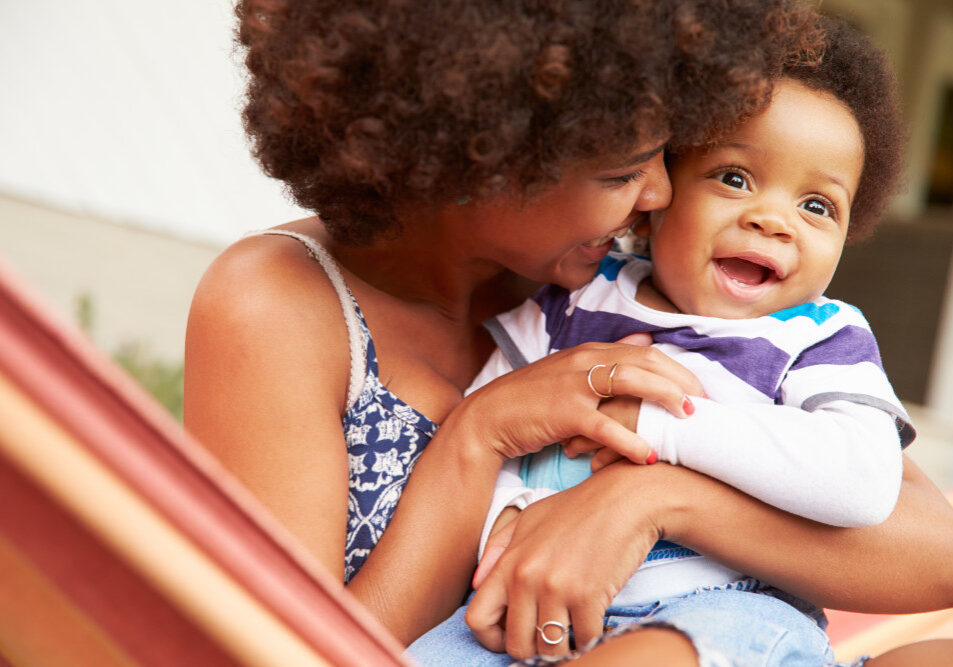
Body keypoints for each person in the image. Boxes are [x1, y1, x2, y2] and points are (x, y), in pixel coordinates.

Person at [184, 2, 953, 665]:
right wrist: (477, 434)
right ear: (480, 154)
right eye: (621, 173)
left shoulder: (638, 274)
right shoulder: (283, 305)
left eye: (662, 156)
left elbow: (931, 549)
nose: (657, 193)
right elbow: (287, 650)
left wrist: (650, 500)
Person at [410, 19, 920, 666]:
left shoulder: (817, 336)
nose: (772, 218)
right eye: (733, 178)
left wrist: (663, 426)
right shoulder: (578, 298)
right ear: (658, 198)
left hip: (723, 602)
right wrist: (506, 516)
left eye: (817, 206)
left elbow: (861, 482)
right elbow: (492, 420)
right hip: (533, 600)